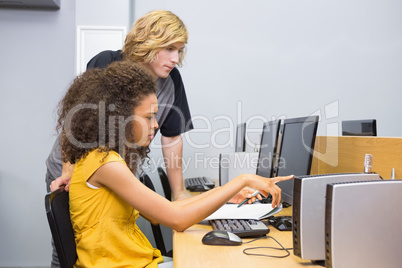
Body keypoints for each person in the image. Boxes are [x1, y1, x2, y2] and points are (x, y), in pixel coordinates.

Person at [57, 60, 292, 268]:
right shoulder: (105, 164)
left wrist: (226, 192)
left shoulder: (105, 159)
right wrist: (243, 179)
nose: (156, 124)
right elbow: (176, 219)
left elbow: (162, 213)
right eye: (149, 116)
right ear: (120, 117)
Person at [47, 10, 193, 201]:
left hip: (117, 175)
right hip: (73, 170)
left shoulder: (172, 80)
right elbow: (76, 122)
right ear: (148, 43)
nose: (175, 59)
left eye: (179, 51)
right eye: (169, 48)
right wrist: (67, 171)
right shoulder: (107, 63)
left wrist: (179, 194)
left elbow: (172, 139)